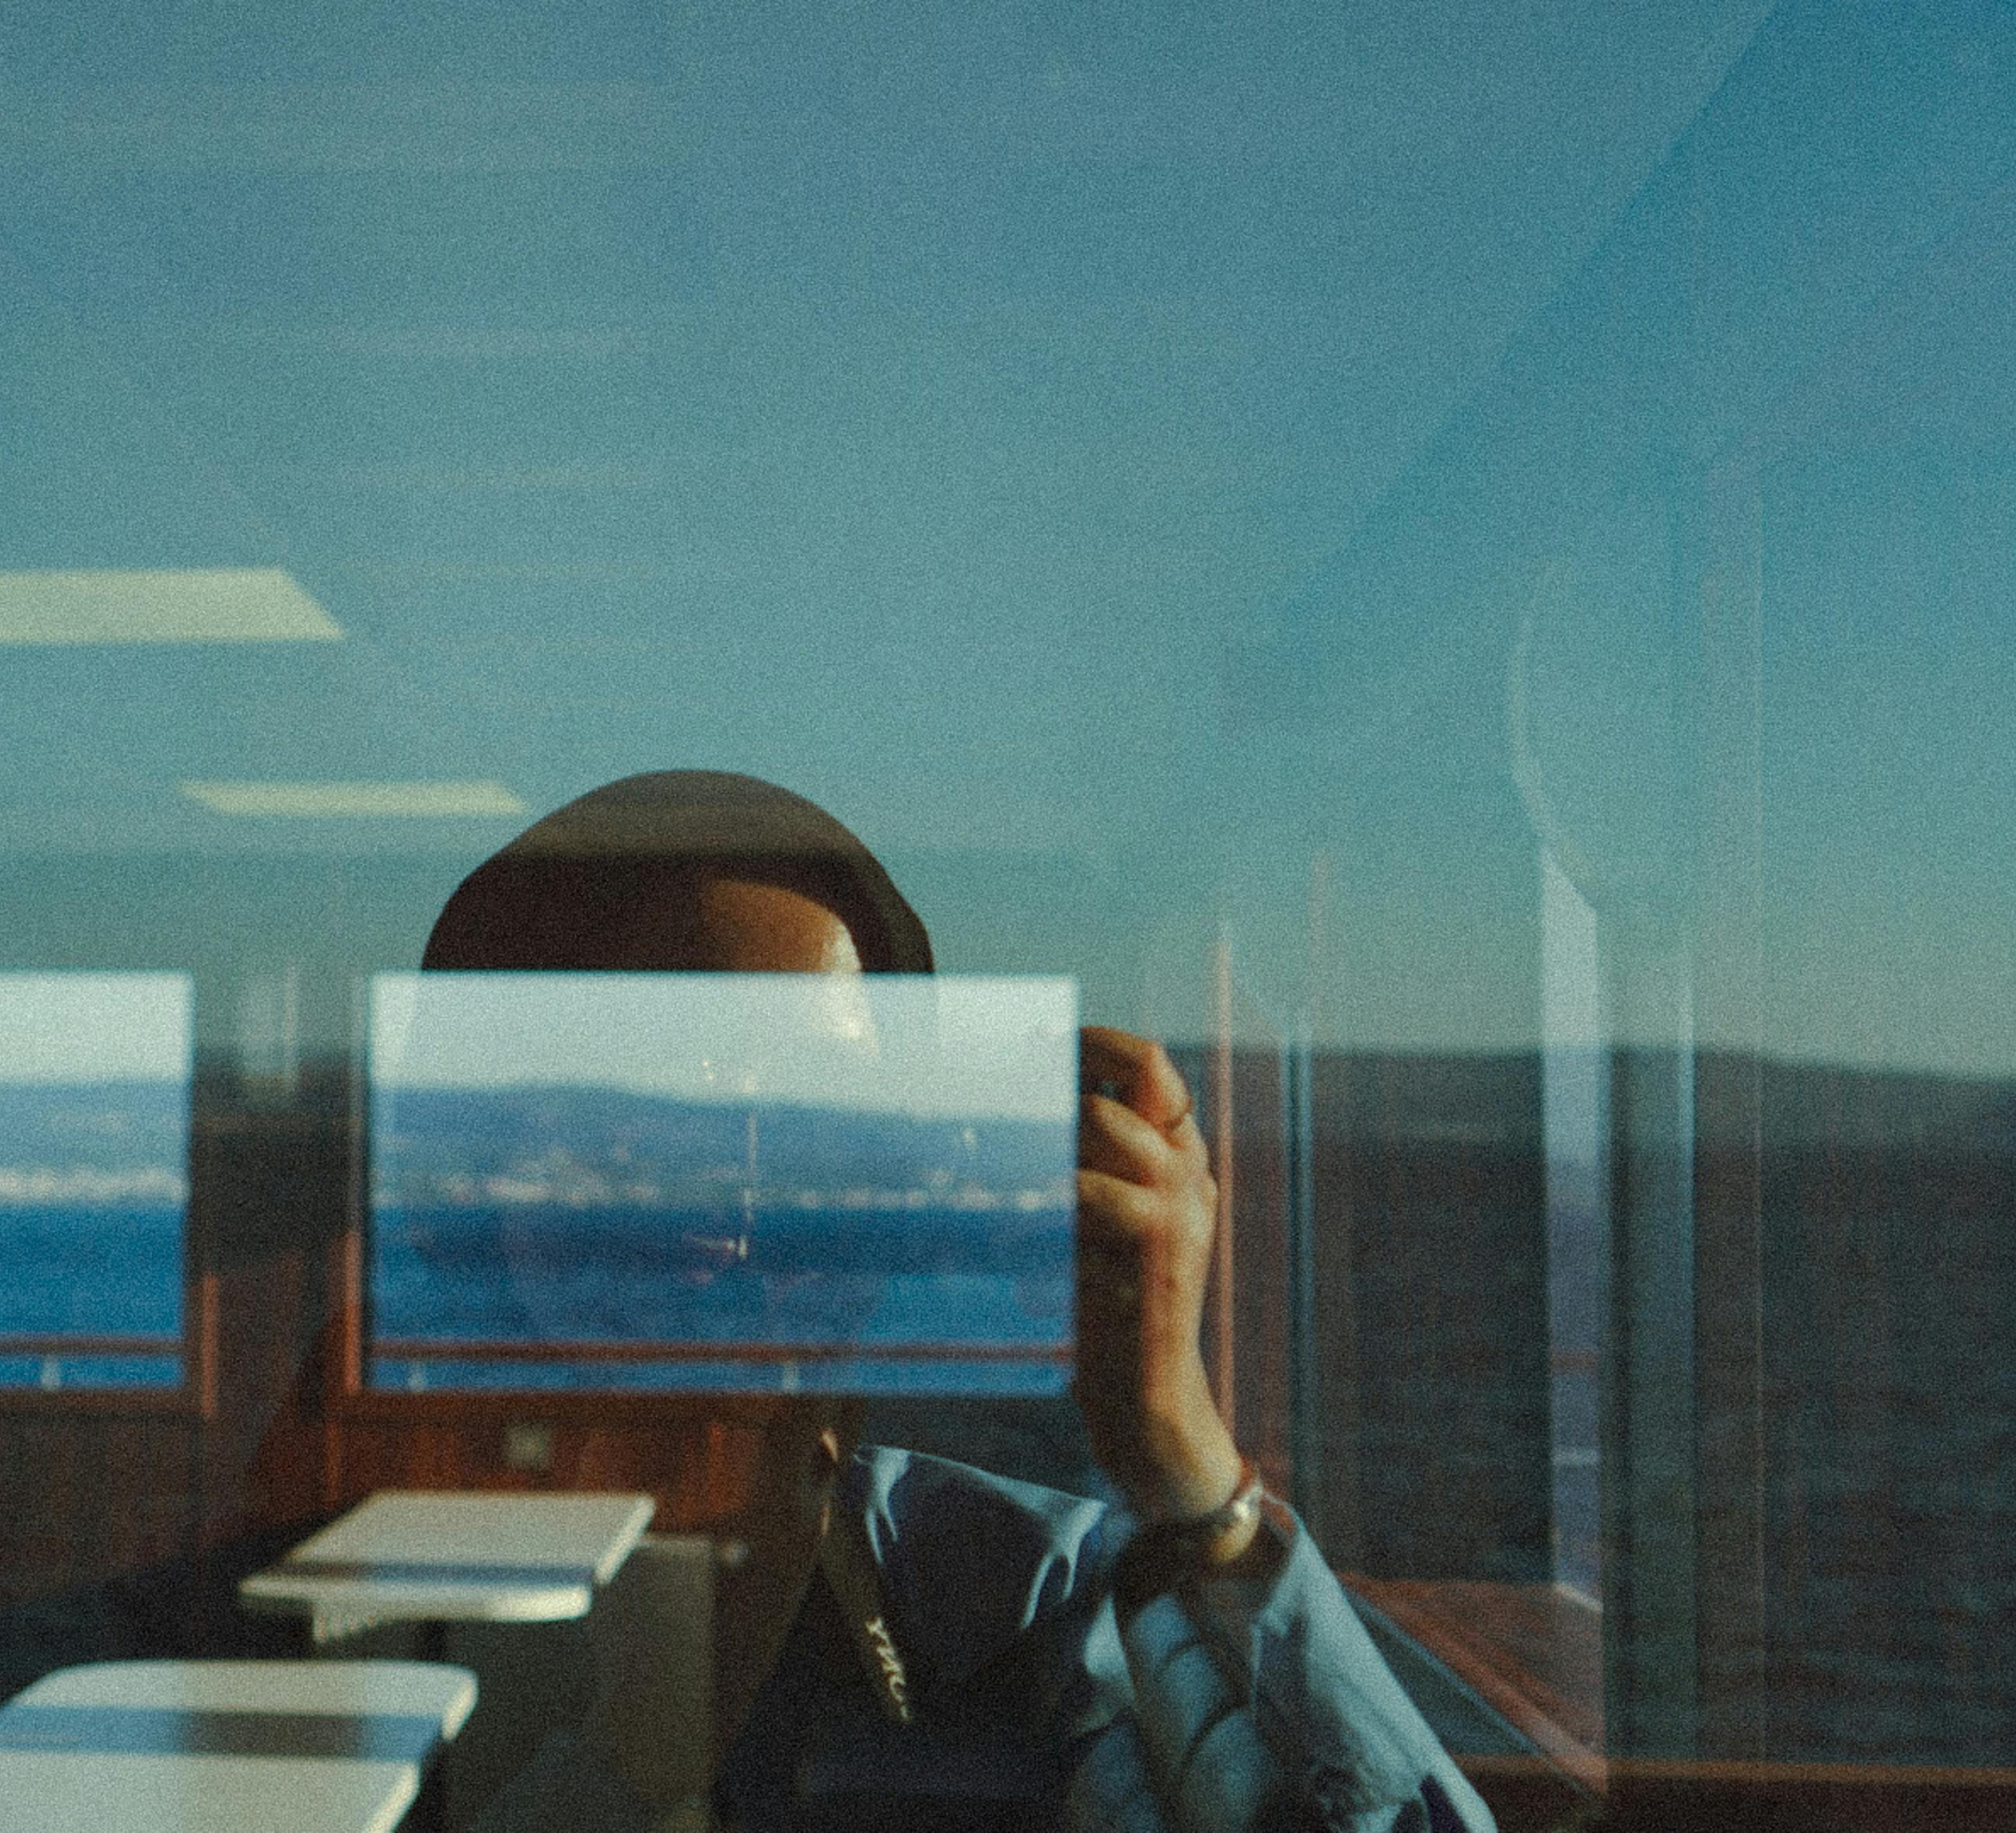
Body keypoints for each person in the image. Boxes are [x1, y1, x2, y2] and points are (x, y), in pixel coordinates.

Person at [423, 771, 1496, 1833]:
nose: (743, 1194)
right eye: (655, 1103)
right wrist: (631, 1763)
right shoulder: (359, 1589)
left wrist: (1180, 1456)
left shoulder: (995, 1592)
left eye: (818, 1114)